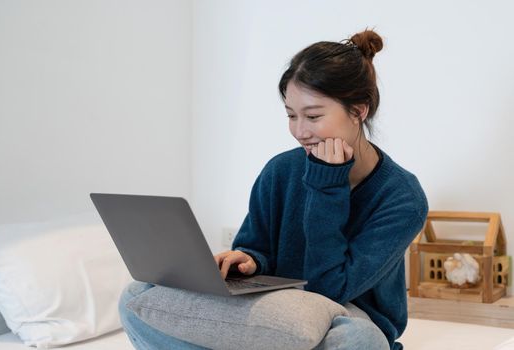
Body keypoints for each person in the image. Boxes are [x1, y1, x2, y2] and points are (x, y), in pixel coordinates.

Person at [119, 28, 428, 350]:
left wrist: (327, 187)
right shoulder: (281, 170)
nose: (300, 131)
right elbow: (256, 245)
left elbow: (330, 288)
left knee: (357, 340)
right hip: (273, 307)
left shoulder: (402, 198)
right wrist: (249, 260)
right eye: (291, 115)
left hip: (345, 316)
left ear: (358, 111)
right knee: (138, 296)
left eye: (313, 116)